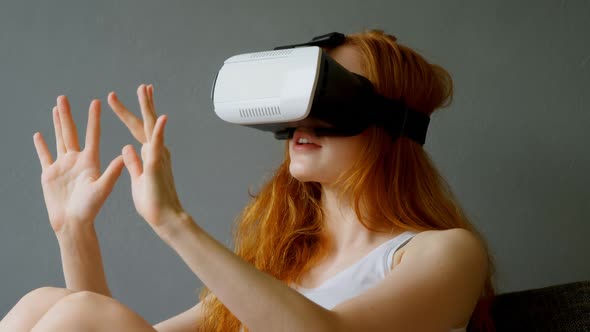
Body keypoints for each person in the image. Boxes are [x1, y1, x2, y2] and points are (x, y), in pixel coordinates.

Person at [0, 29, 495, 332]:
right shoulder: (284, 265)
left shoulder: (444, 252)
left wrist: (174, 222)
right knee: (47, 304)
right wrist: (75, 232)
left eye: (325, 100)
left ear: (390, 123)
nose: (301, 124)